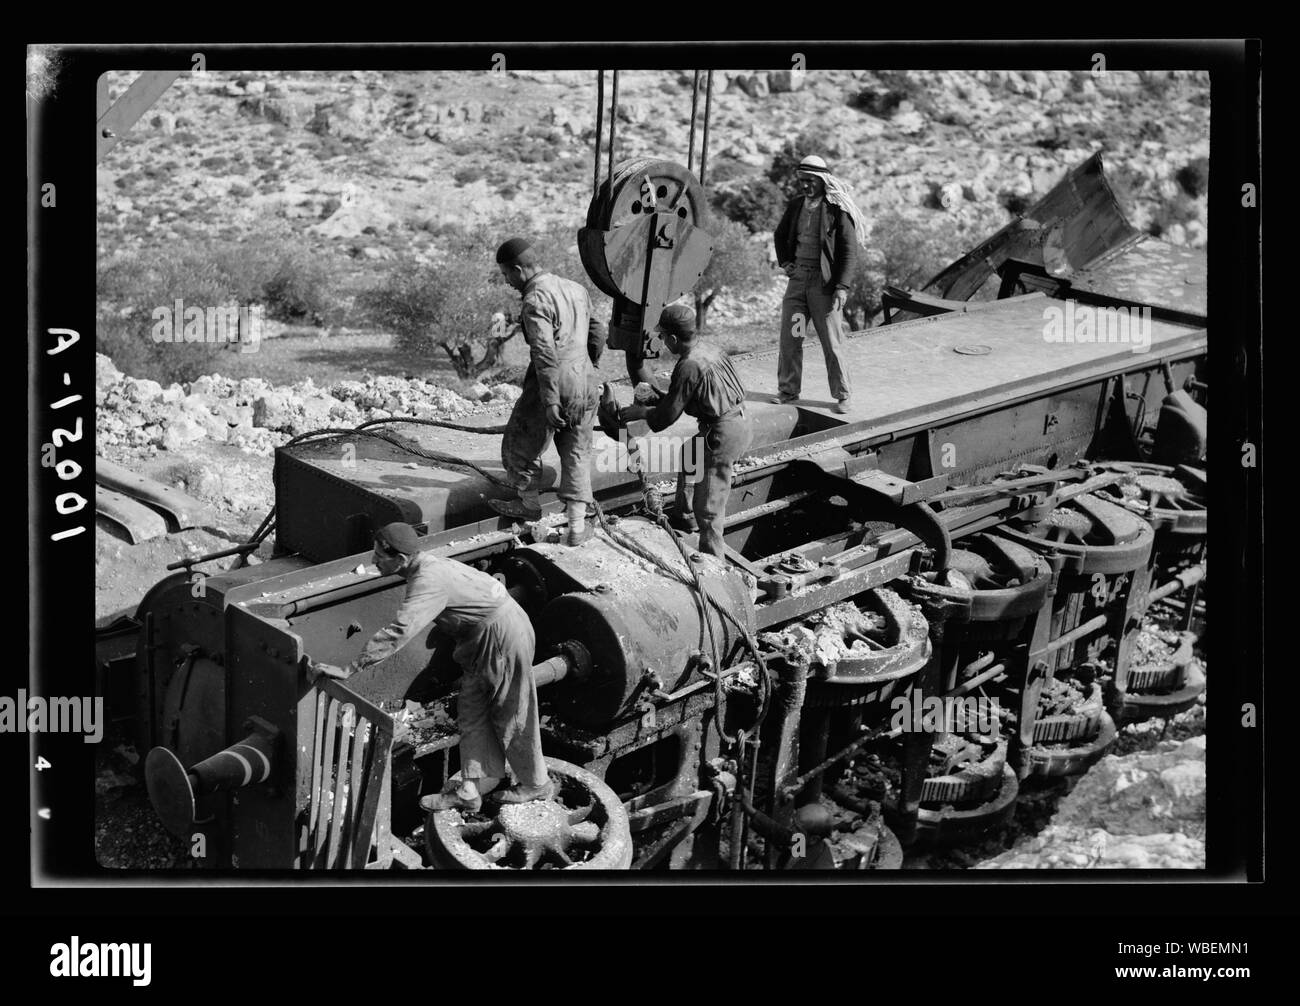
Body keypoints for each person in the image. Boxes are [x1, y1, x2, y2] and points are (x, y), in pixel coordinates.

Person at [309, 522, 551, 812]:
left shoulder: (427, 581)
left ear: (400, 560)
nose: (373, 562)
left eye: (378, 556)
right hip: (487, 637)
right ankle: (470, 791)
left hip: (501, 639)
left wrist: (350, 668)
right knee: (472, 709)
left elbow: (399, 632)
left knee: (512, 711)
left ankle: (536, 784)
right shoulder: (429, 565)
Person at [489, 237, 604, 546]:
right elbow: (597, 331)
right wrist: (590, 367)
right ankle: (577, 528)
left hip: (555, 379)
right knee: (577, 449)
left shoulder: (535, 299)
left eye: (506, 275)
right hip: (586, 379)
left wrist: (551, 400)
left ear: (517, 269)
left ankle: (527, 503)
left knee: (520, 438)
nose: (507, 282)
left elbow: (544, 352)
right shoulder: (576, 288)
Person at [616, 305, 751, 558]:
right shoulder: (710, 349)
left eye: (664, 337)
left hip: (723, 434)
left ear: (674, 338)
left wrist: (642, 412)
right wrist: (660, 397)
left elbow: (666, 417)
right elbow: (692, 395)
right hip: (740, 421)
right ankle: (683, 516)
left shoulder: (687, 365)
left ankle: (713, 564)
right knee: (690, 453)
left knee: (709, 508)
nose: (663, 342)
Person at [772, 155, 869, 415]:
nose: (805, 186)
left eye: (810, 181)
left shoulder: (837, 209)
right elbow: (780, 235)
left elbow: (849, 251)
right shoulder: (796, 206)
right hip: (798, 283)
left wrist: (842, 287)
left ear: (822, 180)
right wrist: (786, 263)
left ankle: (843, 395)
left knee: (831, 342)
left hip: (823, 286)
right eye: (802, 181)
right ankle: (789, 391)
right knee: (791, 338)